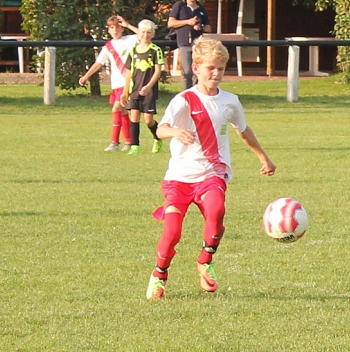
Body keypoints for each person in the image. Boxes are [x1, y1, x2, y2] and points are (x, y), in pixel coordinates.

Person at [145, 38, 275, 299]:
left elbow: (243, 131)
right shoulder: (183, 100)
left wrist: (263, 158)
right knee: (171, 234)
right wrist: (175, 132)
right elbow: (159, 129)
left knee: (216, 212)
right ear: (196, 68)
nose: (216, 74)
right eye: (210, 68)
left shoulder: (230, 101)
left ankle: (205, 260)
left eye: (220, 69)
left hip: (212, 175)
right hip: (179, 179)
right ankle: (159, 275)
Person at [78, 15, 139, 151]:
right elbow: (98, 63)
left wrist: (128, 24)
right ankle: (129, 141)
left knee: (116, 109)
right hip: (116, 83)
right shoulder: (108, 46)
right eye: (112, 28)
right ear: (109, 30)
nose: (115, 30)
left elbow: (143, 34)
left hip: (127, 82)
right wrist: (86, 76)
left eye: (118, 27)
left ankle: (114, 142)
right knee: (122, 111)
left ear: (121, 29)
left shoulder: (129, 40)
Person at [122, 19, 165, 155]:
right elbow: (129, 71)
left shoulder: (155, 50)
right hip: (134, 89)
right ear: (139, 33)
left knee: (148, 119)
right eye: (143, 32)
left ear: (152, 34)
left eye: (148, 32)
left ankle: (157, 137)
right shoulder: (133, 50)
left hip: (149, 90)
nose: (145, 35)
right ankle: (135, 146)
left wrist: (148, 86)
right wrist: (125, 91)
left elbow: (158, 71)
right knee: (134, 115)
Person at [167, 0, 210, 91]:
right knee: (187, 73)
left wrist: (199, 27)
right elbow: (171, 23)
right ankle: (187, 95)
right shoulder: (180, 6)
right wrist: (188, 22)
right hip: (184, 44)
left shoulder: (201, 9)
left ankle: (199, 93)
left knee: (199, 72)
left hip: (198, 44)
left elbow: (208, 28)